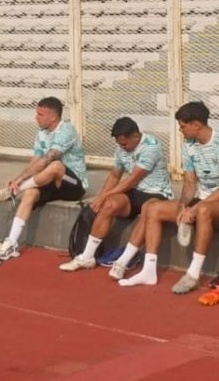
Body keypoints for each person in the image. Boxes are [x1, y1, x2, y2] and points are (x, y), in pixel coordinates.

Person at [118, 101, 219, 290]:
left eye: (183, 126)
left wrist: (196, 208)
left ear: (196, 125)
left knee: (204, 210)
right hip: (201, 200)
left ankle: (193, 274)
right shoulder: (188, 145)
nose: (180, 130)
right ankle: (149, 271)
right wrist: (184, 207)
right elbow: (190, 182)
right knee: (153, 208)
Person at [0, 97, 88, 270]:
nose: (36, 117)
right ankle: (11, 242)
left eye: (40, 114)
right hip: (50, 181)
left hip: (73, 184)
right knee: (31, 193)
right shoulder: (41, 132)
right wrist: (19, 178)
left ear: (53, 117)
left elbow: (47, 159)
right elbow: (35, 161)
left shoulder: (67, 130)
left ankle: (14, 190)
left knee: (56, 165)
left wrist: (19, 182)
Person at [59, 117, 171, 273]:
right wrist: (101, 197)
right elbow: (114, 176)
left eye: (124, 144)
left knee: (147, 209)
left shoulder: (151, 146)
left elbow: (132, 179)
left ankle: (123, 262)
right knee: (110, 204)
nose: (122, 147)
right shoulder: (121, 148)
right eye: (119, 144)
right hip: (135, 192)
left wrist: (105, 195)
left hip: (156, 192)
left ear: (136, 137)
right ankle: (87, 256)